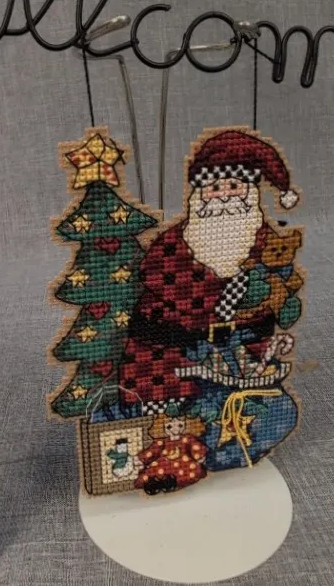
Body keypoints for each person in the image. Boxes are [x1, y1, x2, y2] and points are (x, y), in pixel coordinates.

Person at [119, 129, 302, 471]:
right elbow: (159, 281)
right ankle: (186, 455)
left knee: (273, 409)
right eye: (215, 187)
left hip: (241, 359)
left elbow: (274, 296)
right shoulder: (175, 243)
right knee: (172, 414)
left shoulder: (263, 243)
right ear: (200, 193)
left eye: (234, 186)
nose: (224, 196)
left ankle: (222, 453)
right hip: (172, 354)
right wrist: (221, 299)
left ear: (250, 191)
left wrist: (271, 310)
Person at [134, 404, 207, 495]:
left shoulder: (187, 438)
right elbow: (153, 450)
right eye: (169, 426)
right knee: (153, 471)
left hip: (184, 464)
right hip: (164, 464)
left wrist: (199, 455)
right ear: (162, 427)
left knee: (191, 471)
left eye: (180, 425)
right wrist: (141, 459)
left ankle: (172, 482)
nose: (175, 429)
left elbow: (195, 446)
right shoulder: (163, 442)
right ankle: (154, 483)